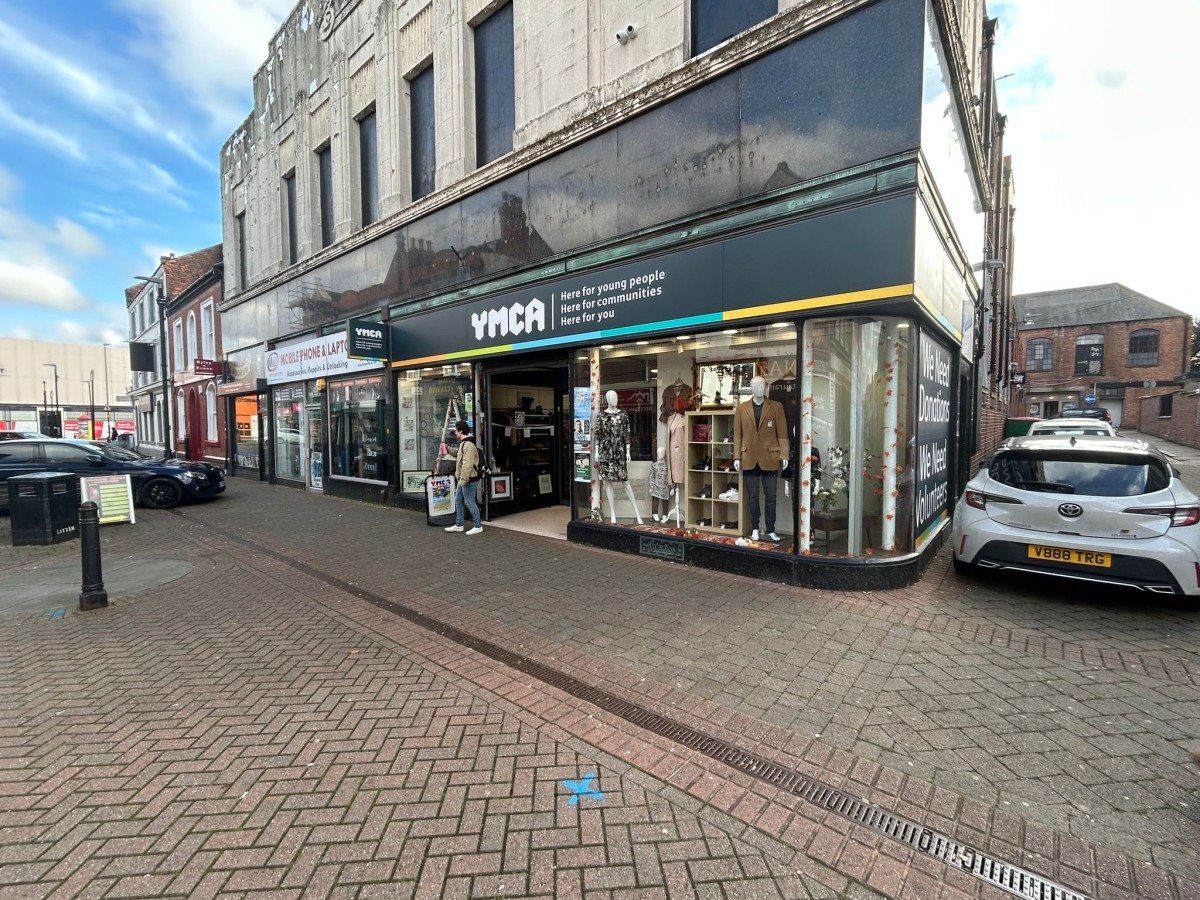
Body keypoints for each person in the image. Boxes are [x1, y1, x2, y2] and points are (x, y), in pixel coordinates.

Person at [733, 375, 789, 541]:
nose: (759, 388)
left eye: (761, 385)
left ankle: (771, 529)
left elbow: (783, 433)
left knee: (771, 496)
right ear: (750, 388)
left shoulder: (776, 407)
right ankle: (755, 528)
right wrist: (737, 456)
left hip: (770, 457)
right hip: (749, 458)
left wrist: (784, 455)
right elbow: (737, 435)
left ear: (765, 387)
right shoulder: (742, 408)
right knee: (752, 496)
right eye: (755, 386)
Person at [593, 389, 644, 525]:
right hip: (605, 451)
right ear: (607, 400)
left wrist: (628, 451)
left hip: (619, 450)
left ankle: (637, 513)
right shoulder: (602, 415)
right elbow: (598, 435)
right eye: (612, 397)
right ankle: (613, 514)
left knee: (625, 481)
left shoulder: (623, 415)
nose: (614, 399)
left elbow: (627, 433)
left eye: (616, 397)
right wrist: (597, 452)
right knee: (608, 482)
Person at [444, 420, 484, 535]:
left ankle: (478, 526)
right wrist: (447, 449)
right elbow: (459, 455)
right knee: (459, 500)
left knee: (469, 501)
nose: (455, 433)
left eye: (456, 430)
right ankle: (459, 524)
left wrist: (463, 480)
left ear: (461, 431)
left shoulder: (468, 445)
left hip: (469, 479)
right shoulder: (465, 443)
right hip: (465, 478)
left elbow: (468, 464)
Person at [648, 447, 673, 522]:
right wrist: (651, 486)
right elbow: (651, 476)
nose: (660, 454)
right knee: (655, 500)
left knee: (665, 501)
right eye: (659, 452)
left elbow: (670, 477)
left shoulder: (668, 466)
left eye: (662, 452)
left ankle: (665, 514)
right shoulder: (654, 465)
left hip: (665, 486)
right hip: (656, 486)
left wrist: (672, 487)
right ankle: (654, 514)